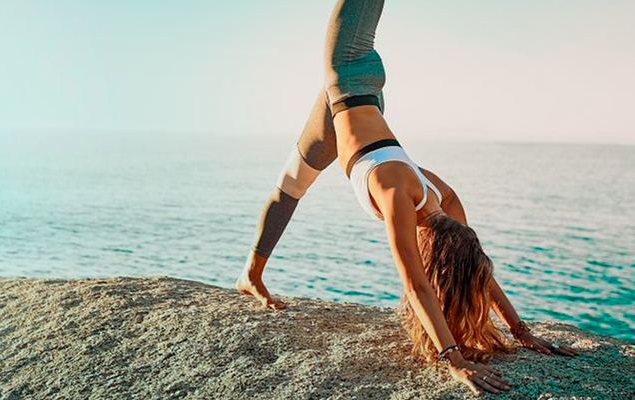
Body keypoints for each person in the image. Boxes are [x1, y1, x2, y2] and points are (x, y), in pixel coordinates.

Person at [238, 0, 579, 395]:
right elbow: (416, 284)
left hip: (344, 107)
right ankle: (252, 273)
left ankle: (251, 275)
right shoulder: (401, 195)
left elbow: (476, 272)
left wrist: (521, 331)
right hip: (349, 67)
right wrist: (453, 359)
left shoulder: (445, 200)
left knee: (289, 188)